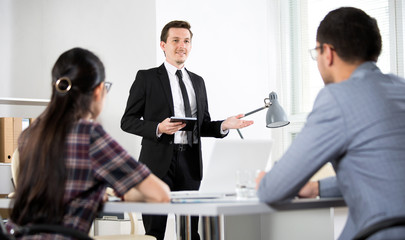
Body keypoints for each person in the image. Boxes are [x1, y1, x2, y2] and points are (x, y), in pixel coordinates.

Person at [256, 7, 405, 240]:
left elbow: (271, 190)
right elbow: (384, 173)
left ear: (328, 53)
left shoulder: (337, 97)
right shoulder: (400, 88)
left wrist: (263, 180)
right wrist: (318, 188)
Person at [6, 47, 170, 239]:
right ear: (99, 90)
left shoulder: (29, 135)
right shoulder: (89, 135)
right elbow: (161, 194)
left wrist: (99, 193)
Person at [121, 20, 253, 240]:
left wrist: (224, 125)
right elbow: (127, 121)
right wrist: (158, 128)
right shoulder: (147, 78)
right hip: (157, 164)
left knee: (191, 232)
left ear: (190, 46)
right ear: (163, 45)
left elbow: (202, 125)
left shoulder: (198, 82)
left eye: (186, 41)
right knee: (154, 233)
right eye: (175, 40)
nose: (181, 45)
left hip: (189, 164)